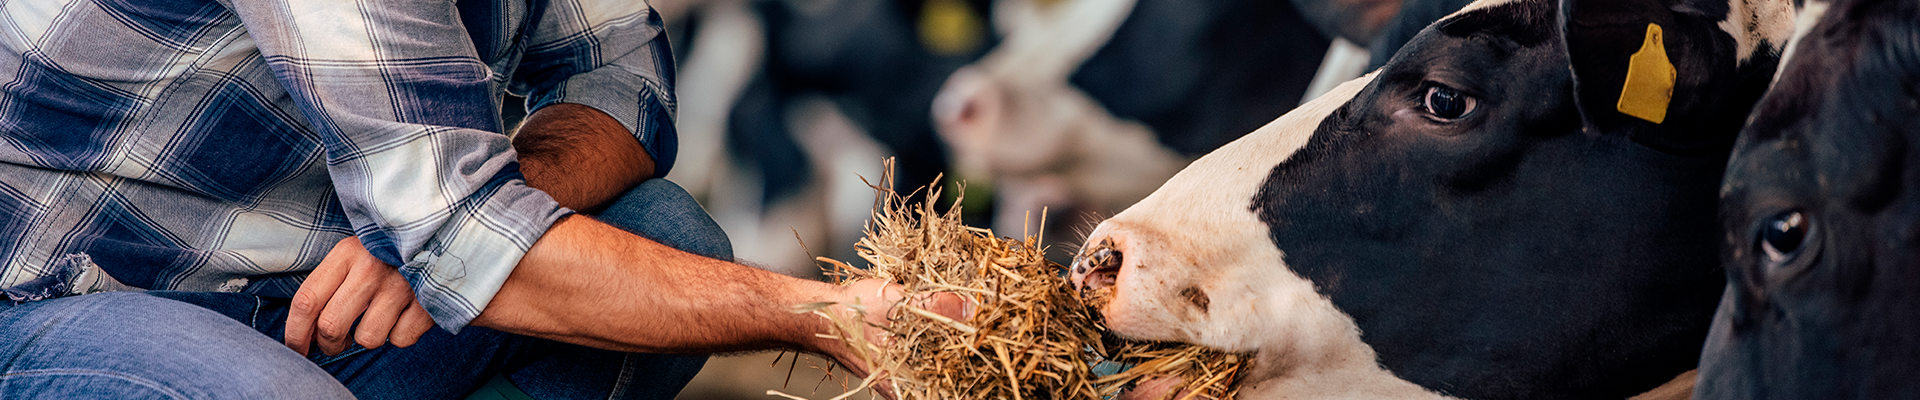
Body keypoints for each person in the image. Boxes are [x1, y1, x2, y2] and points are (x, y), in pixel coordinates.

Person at [0, 0, 907, 398]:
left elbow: (626, 79)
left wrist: (479, 214)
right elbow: (451, 227)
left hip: (311, 290)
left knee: (664, 228)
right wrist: (826, 314)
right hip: (70, 300)